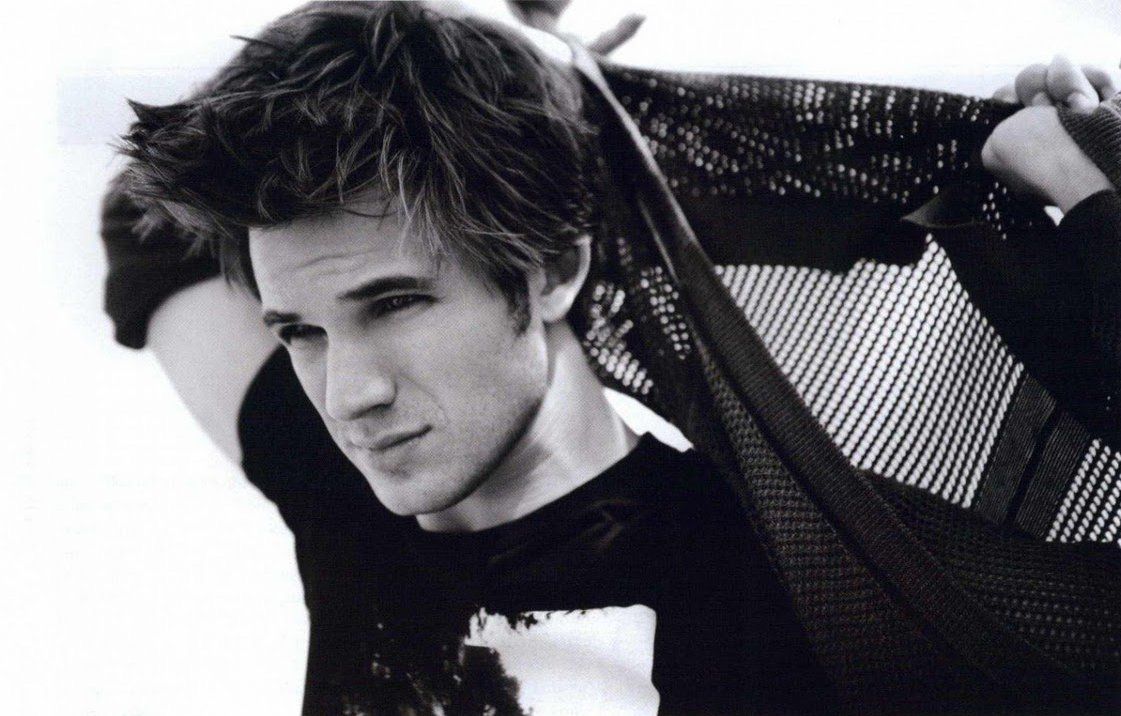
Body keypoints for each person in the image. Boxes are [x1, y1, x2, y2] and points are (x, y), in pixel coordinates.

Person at [99, 1, 1121, 713]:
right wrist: (514, 72)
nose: (347, 393)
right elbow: (141, 228)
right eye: (298, 329)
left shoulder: (797, 583)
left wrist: (1088, 202)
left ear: (553, 269)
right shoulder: (345, 486)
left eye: (397, 303)